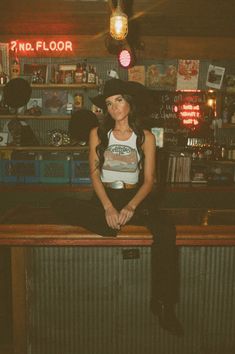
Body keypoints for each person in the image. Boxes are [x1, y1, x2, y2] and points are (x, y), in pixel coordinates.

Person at [52, 78, 183, 336]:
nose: (113, 108)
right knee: (59, 205)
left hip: (135, 200)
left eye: (118, 101)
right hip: (105, 199)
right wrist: (109, 208)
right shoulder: (98, 134)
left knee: (166, 230)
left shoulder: (145, 137)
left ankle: (164, 304)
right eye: (109, 103)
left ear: (129, 104)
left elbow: (149, 181)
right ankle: (110, 224)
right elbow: (94, 174)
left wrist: (131, 207)